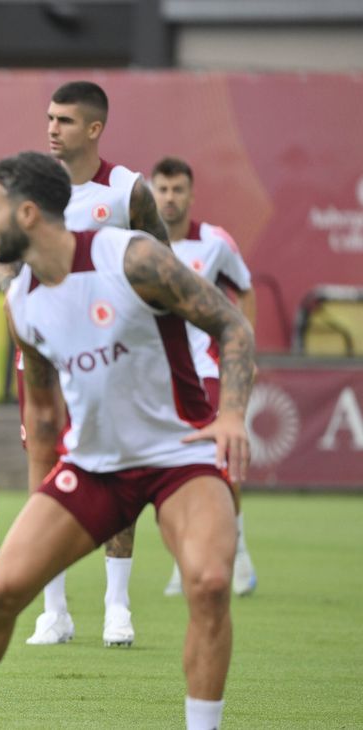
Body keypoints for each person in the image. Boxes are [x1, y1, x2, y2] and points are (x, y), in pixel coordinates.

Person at [0, 151, 253, 730]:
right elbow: (44, 415)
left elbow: (233, 324)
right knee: (1, 591)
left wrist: (232, 416)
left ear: (27, 213)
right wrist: (45, 492)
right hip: (95, 467)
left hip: (180, 456)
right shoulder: (23, 302)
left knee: (209, 582)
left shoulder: (134, 257)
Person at [26, 80, 171, 648]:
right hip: (45, 352)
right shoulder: (32, 187)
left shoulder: (127, 189)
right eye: (48, 118)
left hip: (112, 355)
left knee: (118, 471)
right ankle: (53, 610)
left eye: (63, 120)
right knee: (44, 470)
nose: (52, 128)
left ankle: (117, 605)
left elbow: (160, 265)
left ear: (93, 128)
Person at [151, 156, 258, 597]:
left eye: (178, 190)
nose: (170, 198)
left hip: (208, 371)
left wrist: (245, 351)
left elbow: (245, 289)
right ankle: (186, 560)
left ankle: (238, 555)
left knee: (218, 465)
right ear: (152, 193)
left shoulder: (214, 243)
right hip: (158, 376)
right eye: (163, 189)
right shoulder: (139, 243)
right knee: (168, 470)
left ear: (191, 195)